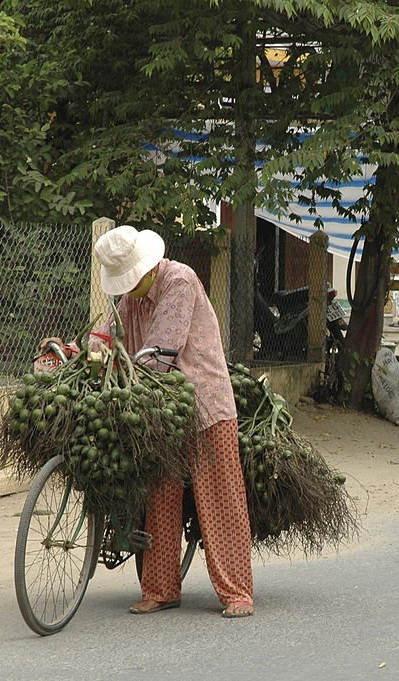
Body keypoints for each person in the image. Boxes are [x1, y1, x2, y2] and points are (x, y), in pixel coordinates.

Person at [83, 225, 254, 618]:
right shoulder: (133, 296)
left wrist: (121, 364)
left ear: (146, 267)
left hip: (204, 401)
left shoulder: (179, 280)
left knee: (220, 498)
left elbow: (161, 350)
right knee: (159, 494)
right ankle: (161, 589)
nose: (127, 288)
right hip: (161, 407)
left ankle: (237, 592)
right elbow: (111, 335)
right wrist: (85, 350)